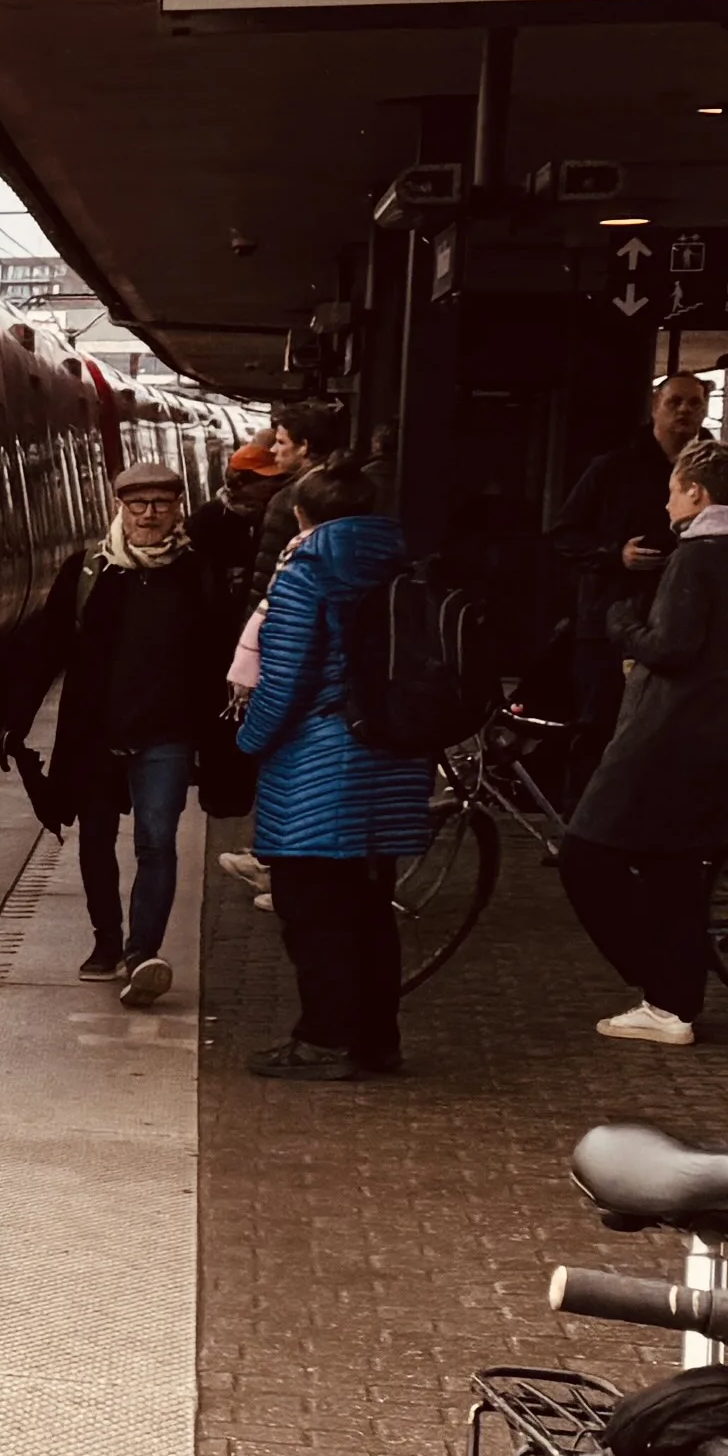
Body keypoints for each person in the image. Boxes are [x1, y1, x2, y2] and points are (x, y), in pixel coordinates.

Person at [553, 437, 728, 1046]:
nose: (667, 500)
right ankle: (672, 1001)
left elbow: (672, 648)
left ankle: (659, 982)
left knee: (585, 855)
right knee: (672, 870)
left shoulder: (698, 556)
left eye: (674, 489)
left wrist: (622, 625)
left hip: (663, 732)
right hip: (706, 733)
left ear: (696, 493)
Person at [232, 460, 433, 1079]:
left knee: (312, 911)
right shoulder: (399, 567)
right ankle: (376, 1041)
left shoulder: (307, 573)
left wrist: (248, 741)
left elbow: (286, 679)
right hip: (390, 761)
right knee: (370, 909)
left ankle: (324, 1041)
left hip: (321, 766)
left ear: (301, 515)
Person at [40, 462, 238, 1009]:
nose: (149, 514)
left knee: (157, 842)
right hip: (96, 733)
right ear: (118, 508)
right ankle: (105, 941)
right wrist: (15, 723)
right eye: (138, 504)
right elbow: (45, 649)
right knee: (96, 841)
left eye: (162, 503)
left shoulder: (199, 570)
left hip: (167, 734)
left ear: (179, 507)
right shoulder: (88, 570)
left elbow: (222, 650)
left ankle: (140, 953)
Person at [549, 376, 716, 759]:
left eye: (694, 403)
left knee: (673, 733)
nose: (685, 411)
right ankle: (584, 816)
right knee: (600, 728)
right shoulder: (613, 468)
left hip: (683, 619)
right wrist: (614, 555)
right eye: (675, 402)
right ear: (655, 406)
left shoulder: (716, 472)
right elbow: (564, 534)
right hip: (611, 617)